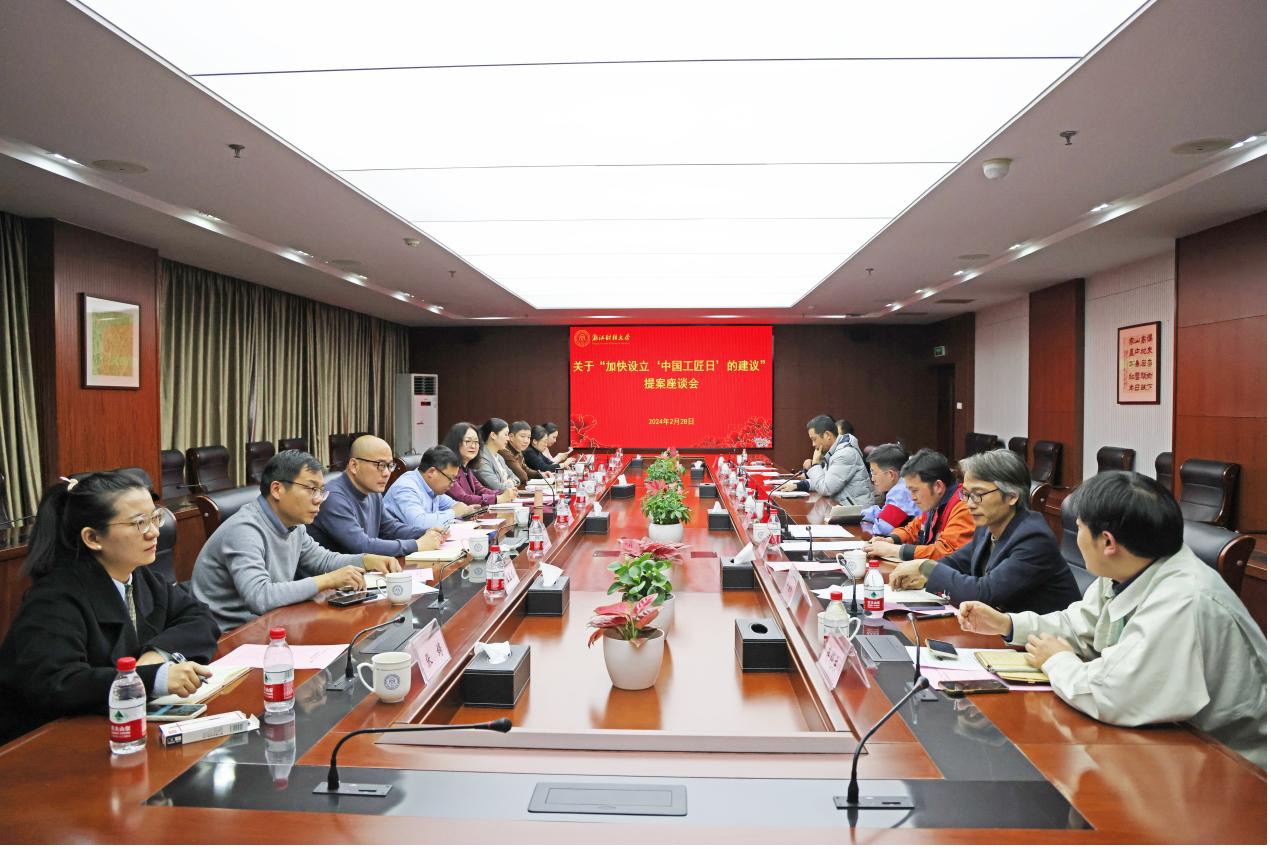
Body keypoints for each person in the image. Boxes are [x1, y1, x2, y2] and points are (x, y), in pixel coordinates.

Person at [957, 472, 1266, 768]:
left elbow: (1115, 695)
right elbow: (1080, 626)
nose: (1075, 538)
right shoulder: (1129, 568)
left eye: (1079, 528)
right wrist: (1008, 624)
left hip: (1231, 764)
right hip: (1168, 739)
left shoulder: (1183, 600)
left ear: (1108, 543)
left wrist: (1057, 661)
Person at [0, 472, 220, 743]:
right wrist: (152, 678)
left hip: (113, 729)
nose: (154, 532)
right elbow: (60, 684)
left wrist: (155, 656)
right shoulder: (54, 599)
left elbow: (200, 618)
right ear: (93, 537)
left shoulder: (138, 575)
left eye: (155, 518)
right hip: (44, 743)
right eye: (139, 523)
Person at [192, 450, 399, 632]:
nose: (318, 499)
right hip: (231, 638)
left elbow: (322, 560)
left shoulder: (293, 525)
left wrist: (366, 560)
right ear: (277, 489)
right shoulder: (244, 530)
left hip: (273, 623)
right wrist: (328, 580)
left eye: (321, 490)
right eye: (311, 489)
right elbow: (260, 597)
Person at [888, 449, 1080, 613]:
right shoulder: (986, 527)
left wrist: (925, 568)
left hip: (1041, 639)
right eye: (966, 494)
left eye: (978, 495)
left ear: (1011, 497)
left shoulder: (1034, 538)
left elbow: (984, 594)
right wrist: (922, 573)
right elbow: (956, 562)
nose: (970, 504)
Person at [309, 435, 445, 557]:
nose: (387, 473)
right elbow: (361, 545)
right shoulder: (333, 497)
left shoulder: (373, 492)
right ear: (354, 466)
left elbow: (390, 529)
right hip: (336, 575)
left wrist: (426, 532)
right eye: (380, 465)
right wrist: (417, 545)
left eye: (390, 466)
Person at [864, 448, 974, 561]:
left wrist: (894, 550)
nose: (912, 497)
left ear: (938, 487)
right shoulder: (934, 501)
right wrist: (891, 540)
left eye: (915, 490)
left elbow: (947, 551)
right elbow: (914, 528)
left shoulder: (964, 505)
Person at [777, 414, 872, 506]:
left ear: (827, 435)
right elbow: (824, 480)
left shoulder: (845, 454)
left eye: (814, 439)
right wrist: (798, 485)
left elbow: (826, 488)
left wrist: (815, 464)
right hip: (843, 506)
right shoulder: (834, 451)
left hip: (857, 511)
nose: (813, 444)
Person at [385, 445, 475, 529]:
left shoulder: (433, 488)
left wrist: (467, 510)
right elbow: (419, 523)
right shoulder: (406, 488)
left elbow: (454, 505)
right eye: (450, 478)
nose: (452, 484)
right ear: (431, 472)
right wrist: (453, 512)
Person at [442, 422, 517, 507]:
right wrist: (497, 498)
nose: (473, 446)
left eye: (476, 442)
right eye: (468, 441)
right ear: (455, 442)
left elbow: (480, 490)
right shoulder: (448, 467)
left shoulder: (466, 467)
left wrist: (504, 492)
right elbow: (462, 498)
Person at [860, 444, 919, 536]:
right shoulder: (903, 485)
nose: (872, 479)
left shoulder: (900, 492)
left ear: (891, 475)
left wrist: (876, 520)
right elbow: (883, 513)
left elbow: (883, 529)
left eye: (874, 473)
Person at [473, 418, 521, 492]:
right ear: (493, 435)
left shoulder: (500, 458)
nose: (508, 439)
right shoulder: (481, 458)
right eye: (505, 434)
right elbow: (496, 486)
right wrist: (510, 484)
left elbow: (517, 479)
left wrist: (509, 483)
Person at [499, 420, 540, 485]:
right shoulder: (504, 451)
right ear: (511, 437)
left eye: (528, 437)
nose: (526, 441)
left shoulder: (518, 450)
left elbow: (525, 469)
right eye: (523, 436)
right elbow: (522, 477)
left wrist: (541, 474)